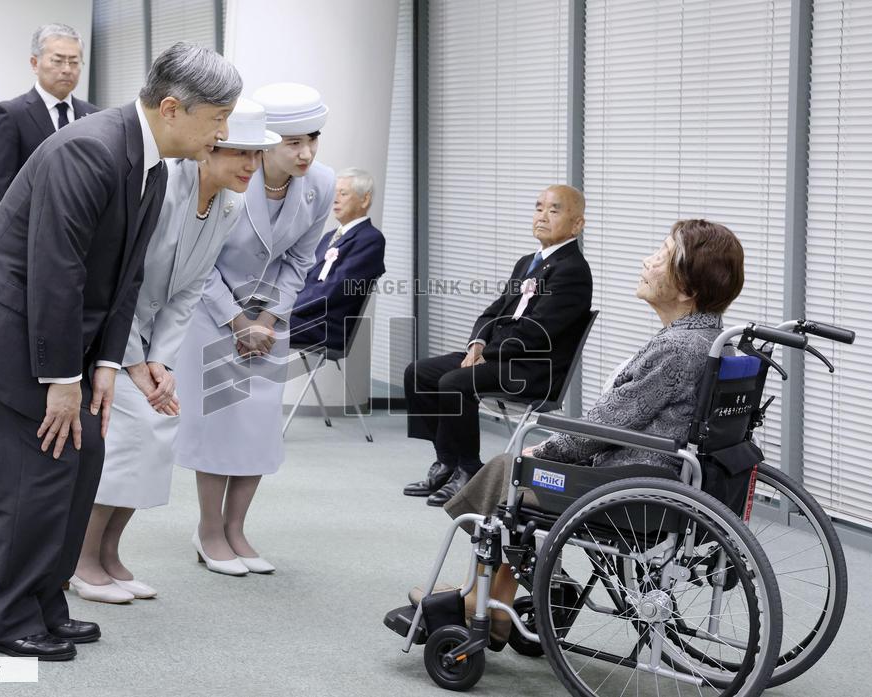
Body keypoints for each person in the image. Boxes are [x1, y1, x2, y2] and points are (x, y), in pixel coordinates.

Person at [0, 42, 241, 660]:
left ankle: (45, 601)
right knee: (36, 477)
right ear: (174, 108)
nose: (224, 133)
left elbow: (124, 278)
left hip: (63, 340)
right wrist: (63, 380)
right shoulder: (91, 151)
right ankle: (1, 620)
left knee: (83, 461)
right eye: (219, 119)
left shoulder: (151, 159)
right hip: (8, 334)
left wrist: (104, 364)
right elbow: (56, 273)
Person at [441, 218, 746, 644]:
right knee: (513, 472)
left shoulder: (677, 348)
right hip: (654, 477)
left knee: (509, 469)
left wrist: (544, 451)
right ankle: (508, 593)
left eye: (660, 254)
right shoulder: (711, 342)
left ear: (686, 290)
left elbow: (598, 432)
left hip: (629, 484)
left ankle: (482, 602)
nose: (646, 260)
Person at [69, 99, 279, 603]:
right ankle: (79, 559)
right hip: (109, 334)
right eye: (240, 153)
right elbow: (128, 283)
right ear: (208, 151)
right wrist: (138, 361)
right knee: (128, 436)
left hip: (151, 340)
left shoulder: (228, 204)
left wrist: (160, 361)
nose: (252, 165)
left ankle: (110, 554)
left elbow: (189, 290)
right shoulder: (162, 190)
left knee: (157, 433)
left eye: (257, 154)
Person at [174, 82, 335, 576]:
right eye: (291, 141)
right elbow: (199, 261)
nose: (305, 152)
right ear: (267, 142)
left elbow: (301, 259)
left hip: (269, 319)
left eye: (312, 138)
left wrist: (266, 320)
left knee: (259, 425)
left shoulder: (321, 183)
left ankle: (237, 529)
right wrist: (237, 321)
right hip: (212, 311)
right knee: (219, 422)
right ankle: (208, 531)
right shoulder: (229, 177)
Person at [402, 185, 593, 506]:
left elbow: (538, 333)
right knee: (419, 373)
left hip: (533, 369)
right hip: (501, 358)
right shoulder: (527, 263)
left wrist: (486, 354)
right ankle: (446, 460)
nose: (542, 216)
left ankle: (469, 470)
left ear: (577, 224)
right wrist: (477, 343)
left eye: (554, 210)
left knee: (454, 382)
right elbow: (494, 311)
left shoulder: (572, 271)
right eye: (538, 207)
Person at [0, 23, 99, 217]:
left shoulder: (94, 116)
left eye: (74, 62)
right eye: (58, 61)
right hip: (28, 234)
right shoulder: (10, 114)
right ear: (35, 63)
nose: (67, 69)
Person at [288, 167, 386, 351]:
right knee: (256, 317)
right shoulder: (330, 236)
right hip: (304, 318)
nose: (335, 200)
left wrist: (287, 309)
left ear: (365, 199)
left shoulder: (370, 239)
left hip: (327, 326)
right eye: (335, 193)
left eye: (343, 193)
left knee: (261, 328)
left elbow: (334, 289)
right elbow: (304, 276)